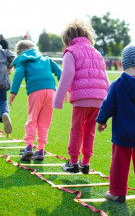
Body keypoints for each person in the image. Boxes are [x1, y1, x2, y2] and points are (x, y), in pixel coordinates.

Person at [96, 45, 135, 205]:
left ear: (123, 64)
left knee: (119, 163)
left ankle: (117, 192)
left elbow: (108, 105)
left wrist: (101, 120)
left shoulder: (118, 84)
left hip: (122, 133)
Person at [53, 19, 109, 174]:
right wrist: (109, 101)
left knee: (76, 129)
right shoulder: (97, 53)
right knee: (89, 130)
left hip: (82, 98)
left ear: (68, 40)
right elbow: (105, 78)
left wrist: (58, 98)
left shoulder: (70, 52)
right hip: (99, 99)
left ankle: (73, 163)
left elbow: (67, 75)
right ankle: (85, 163)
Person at [9, 40, 61, 161]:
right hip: (51, 91)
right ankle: (40, 150)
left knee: (32, 119)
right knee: (45, 122)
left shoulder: (23, 60)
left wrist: (13, 92)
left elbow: (19, 74)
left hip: (36, 91)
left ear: (19, 52)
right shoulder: (46, 59)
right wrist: (64, 90)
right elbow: (60, 72)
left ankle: (29, 147)